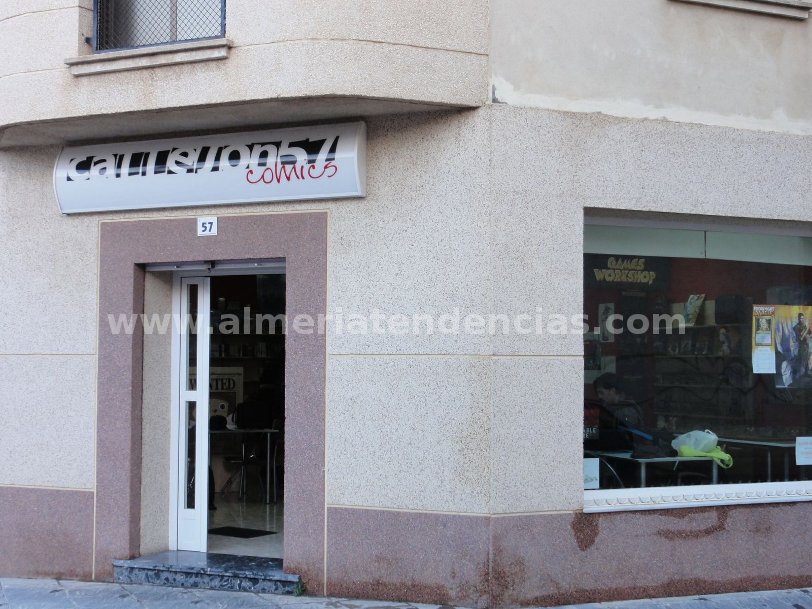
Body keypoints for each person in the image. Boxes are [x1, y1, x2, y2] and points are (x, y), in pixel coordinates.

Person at [793, 313, 810, 377]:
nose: (801, 319)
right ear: (798, 318)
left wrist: (807, 335)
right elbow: (800, 338)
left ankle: (806, 372)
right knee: (799, 359)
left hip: (806, 344)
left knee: (806, 358)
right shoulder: (796, 327)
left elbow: (808, 334)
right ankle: (795, 372)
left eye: (802, 318)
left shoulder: (804, 325)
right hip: (800, 345)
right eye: (800, 318)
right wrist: (805, 332)